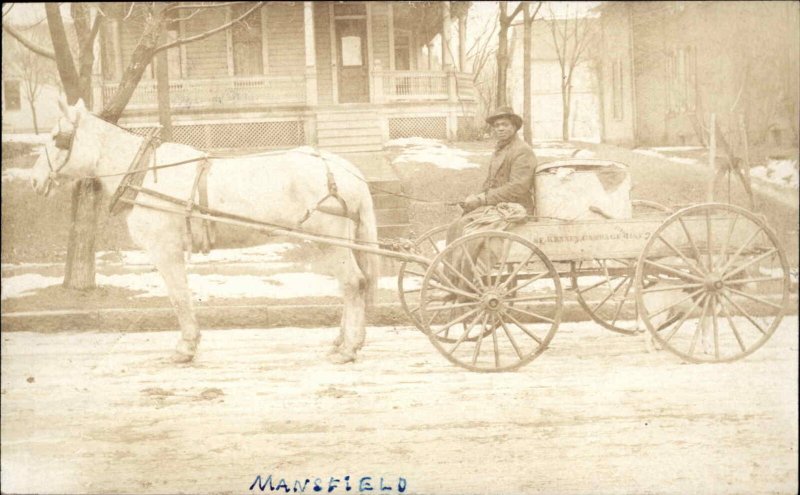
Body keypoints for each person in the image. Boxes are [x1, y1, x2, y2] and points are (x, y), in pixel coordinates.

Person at [430, 106, 538, 301]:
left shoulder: (522, 151)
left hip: (516, 207)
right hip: (498, 204)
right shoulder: (500, 150)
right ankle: (452, 281)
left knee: (470, 231)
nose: (500, 129)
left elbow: (517, 188)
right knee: (456, 226)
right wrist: (474, 199)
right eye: (497, 126)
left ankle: (468, 284)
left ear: (514, 127)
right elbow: (490, 183)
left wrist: (482, 199)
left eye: (505, 125)